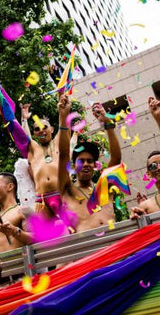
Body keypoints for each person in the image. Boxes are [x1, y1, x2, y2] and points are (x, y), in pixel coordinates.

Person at [57, 95, 122, 232]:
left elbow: (116, 160)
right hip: (88, 248)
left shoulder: (103, 188)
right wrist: (63, 118)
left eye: (90, 161)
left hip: (115, 246)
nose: (86, 164)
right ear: (74, 167)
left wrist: (107, 123)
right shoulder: (67, 190)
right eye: (81, 161)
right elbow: (63, 156)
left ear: (94, 165)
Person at [20, 97, 71, 219]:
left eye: (45, 127)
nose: (41, 130)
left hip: (63, 194)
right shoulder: (33, 149)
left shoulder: (59, 141)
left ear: (52, 129)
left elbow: (64, 126)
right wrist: (24, 119)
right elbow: (25, 136)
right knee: (47, 236)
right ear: (34, 134)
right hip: (42, 200)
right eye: (37, 129)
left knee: (73, 230)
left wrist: (63, 112)